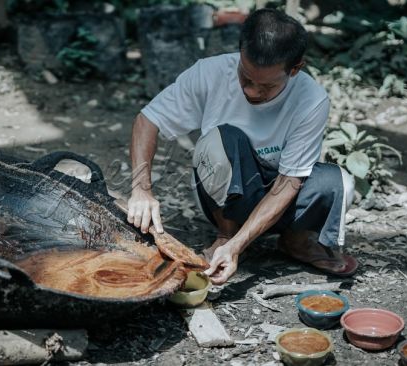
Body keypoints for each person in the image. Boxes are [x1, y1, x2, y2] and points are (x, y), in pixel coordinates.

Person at [127, 8, 357, 285]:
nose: (251, 91)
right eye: (245, 77)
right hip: (223, 194)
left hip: (281, 195)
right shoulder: (208, 73)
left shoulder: (311, 99)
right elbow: (148, 120)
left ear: (295, 69)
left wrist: (239, 247)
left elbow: (290, 182)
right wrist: (141, 189)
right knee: (221, 139)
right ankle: (225, 234)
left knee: (340, 183)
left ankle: (295, 241)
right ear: (239, 53)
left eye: (266, 86)